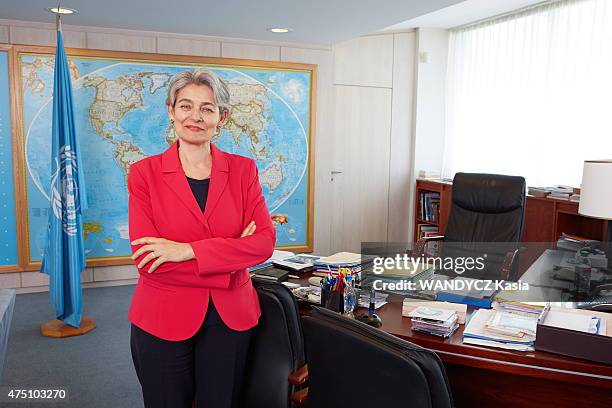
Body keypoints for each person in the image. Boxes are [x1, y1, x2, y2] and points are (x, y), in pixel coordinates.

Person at [127, 68, 275, 408]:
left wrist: (185, 250)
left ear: (221, 117)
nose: (195, 116)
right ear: (171, 110)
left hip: (230, 318)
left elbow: (264, 243)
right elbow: (150, 263)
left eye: (207, 108)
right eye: (186, 106)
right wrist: (233, 257)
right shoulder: (144, 174)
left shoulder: (243, 170)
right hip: (162, 316)